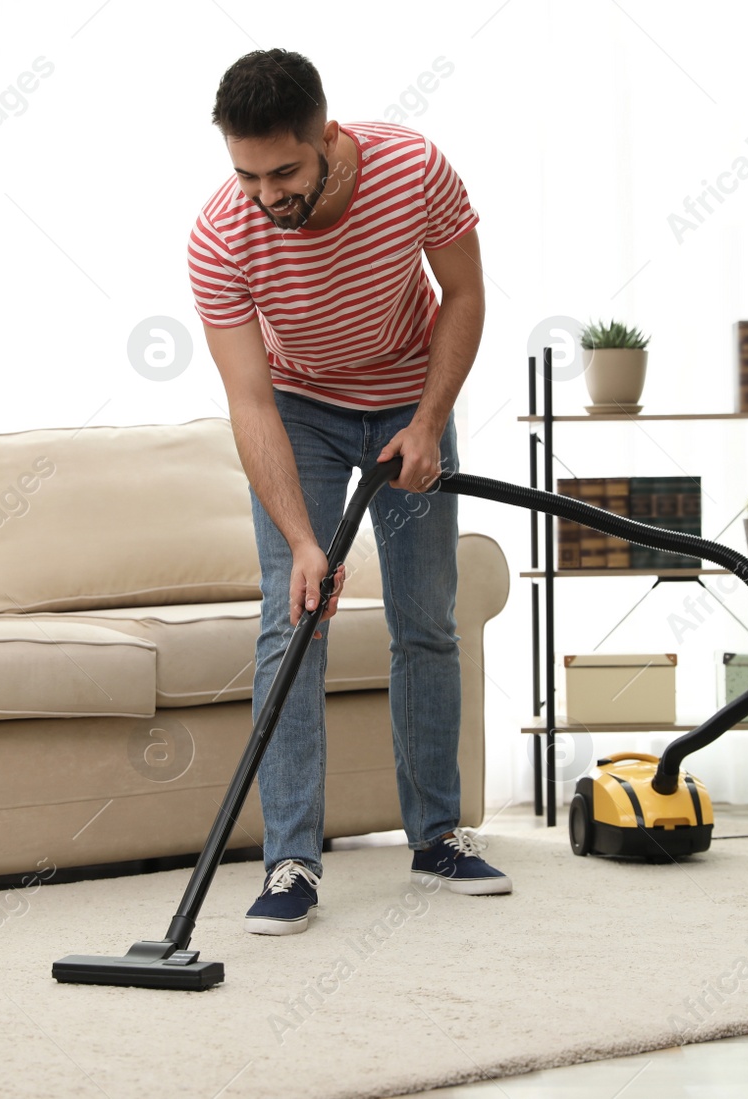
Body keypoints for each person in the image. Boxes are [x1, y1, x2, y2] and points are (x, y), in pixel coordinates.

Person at [188, 48, 510, 936]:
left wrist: (430, 419)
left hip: (410, 395)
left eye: (284, 170)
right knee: (294, 619)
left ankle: (437, 835)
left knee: (426, 620)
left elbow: (466, 292)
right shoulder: (222, 237)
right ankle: (292, 858)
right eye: (247, 174)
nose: (267, 194)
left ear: (328, 137)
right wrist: (303, 541)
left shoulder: (411, 168)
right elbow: (250, 401)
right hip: (300, 412)